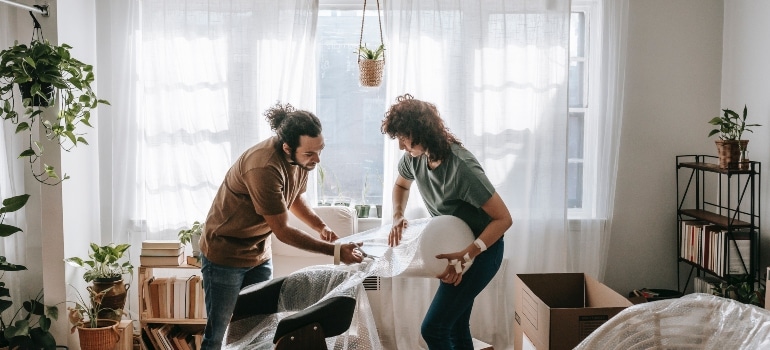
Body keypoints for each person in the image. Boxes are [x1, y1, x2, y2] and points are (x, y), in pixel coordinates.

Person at [199, 102, 364, 349]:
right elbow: (283, 231)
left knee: (259, 332)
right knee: (220, 334)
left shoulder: (302, 160)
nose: (317, 159)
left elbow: (295, 196)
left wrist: (320, 226)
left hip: (258, 254)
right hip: (225, 256)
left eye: (320, 150)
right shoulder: (263, 166)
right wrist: (337, 251)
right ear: (287, 147)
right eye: (310, 154)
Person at [381, 94, 512, 349]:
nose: (400, 146)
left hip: (484, 249)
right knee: (455, 325)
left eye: (403, 138)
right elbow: (400, 185)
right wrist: (398, 215)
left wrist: (467, 256)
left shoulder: (462, 168)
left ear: (419, 132)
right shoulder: (414, 158)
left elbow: (504, 219)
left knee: (434, 329)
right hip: (457, 246)